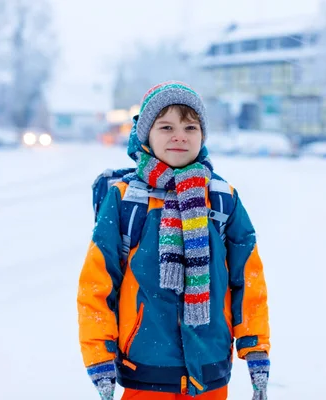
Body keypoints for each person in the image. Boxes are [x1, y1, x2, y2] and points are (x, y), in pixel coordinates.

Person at [78, 81, 270, 399]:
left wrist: (256, 350)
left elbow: (249, 283)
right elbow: (96, 286)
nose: (179, 135)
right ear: (146, 136)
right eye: (166, 126)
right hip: (146, 370)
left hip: (210, 369)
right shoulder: (126, 199)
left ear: (202, 136)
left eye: (190, 126)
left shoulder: (222, 199)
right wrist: (99, 356)